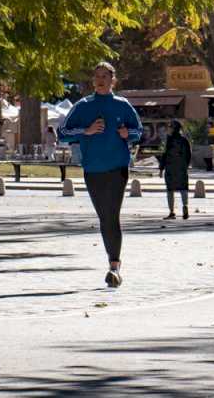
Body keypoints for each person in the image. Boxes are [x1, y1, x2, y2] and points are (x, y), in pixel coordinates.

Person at [58, 62, 142, 288]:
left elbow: (138, 131)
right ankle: (113, 263)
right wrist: (86, 130)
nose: (101, 80)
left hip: (117, 167)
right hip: (93, 169)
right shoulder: (82, 106)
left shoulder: (122, 105)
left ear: (113, 80)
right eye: (97, 76)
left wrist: (127, 133)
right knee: (104, 217)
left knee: (112, 214)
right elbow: (63, 133)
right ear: (93, 80)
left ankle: (114, 267)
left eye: (105, 76)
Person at [159, 120, 191, 220]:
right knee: (183, 188)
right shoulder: (184, 140)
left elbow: (165, 154)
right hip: (181, 168)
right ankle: (185, 206)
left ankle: (172, 212)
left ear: (173, 128)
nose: (169, 129)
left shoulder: (170, 140)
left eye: (170, 127)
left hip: (170, 167)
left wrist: (161, 168)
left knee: (170, 190)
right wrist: (185, 166)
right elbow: (189, 155)